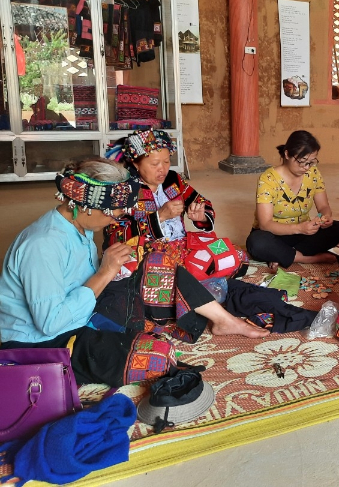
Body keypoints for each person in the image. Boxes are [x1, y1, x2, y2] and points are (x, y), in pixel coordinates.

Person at [0, 159, 207, 387]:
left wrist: (115, 270)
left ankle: (222, 320)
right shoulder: (42, 244)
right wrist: (105, 273)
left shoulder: (81, 226)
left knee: (156, 267)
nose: (116, 218)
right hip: (43, 342)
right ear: (87, 205)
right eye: (112, 212)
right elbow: (50, 323)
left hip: (82, 312)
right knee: (156, 357)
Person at [103, 129, 267, 342]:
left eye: (166, 161)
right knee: (164, 271)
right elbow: (115, 236)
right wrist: (159, 217)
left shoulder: (173, 181)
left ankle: (191, 289)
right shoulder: (124, 190)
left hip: (181, 245)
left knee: (233, 254)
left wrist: (199, 214)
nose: (162, 169)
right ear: (135, 163)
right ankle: (194, 295)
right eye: (154, 164)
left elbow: (202, 203)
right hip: (147, 255)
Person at [246, 130, 339, 270]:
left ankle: (282, 255)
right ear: (287, 154)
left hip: (303, 232)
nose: (306, 167)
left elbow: (323, 206)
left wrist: (325, 217)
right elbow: (265, 224)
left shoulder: (313, 173)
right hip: (275, 234)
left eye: (311, 162)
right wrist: (299, 229)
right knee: (256, 243)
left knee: (338, 229)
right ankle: (306, 258)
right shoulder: (268, 179)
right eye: (302, 162)